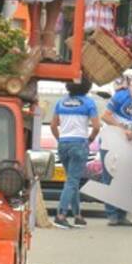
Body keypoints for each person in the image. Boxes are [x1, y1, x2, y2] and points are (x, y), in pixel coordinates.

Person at [99, 72, 132, 227]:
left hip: (130, 143)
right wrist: (123, 129)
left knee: (128, 177)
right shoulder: (120, 97)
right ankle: (112, 214)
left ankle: (122, 214)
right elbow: (106, 116)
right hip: (112, 141)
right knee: (110, 175)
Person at [50, 79, 100, 228]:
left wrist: (60, 139)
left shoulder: (61, 102)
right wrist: (89, 140)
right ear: (87, 87)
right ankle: (61, 214)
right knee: (72, 181)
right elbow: (96, 126)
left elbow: (53, 125)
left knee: (72, 180)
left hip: (63, 143)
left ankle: (78, 215)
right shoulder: (89, 103)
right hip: (79, 143)